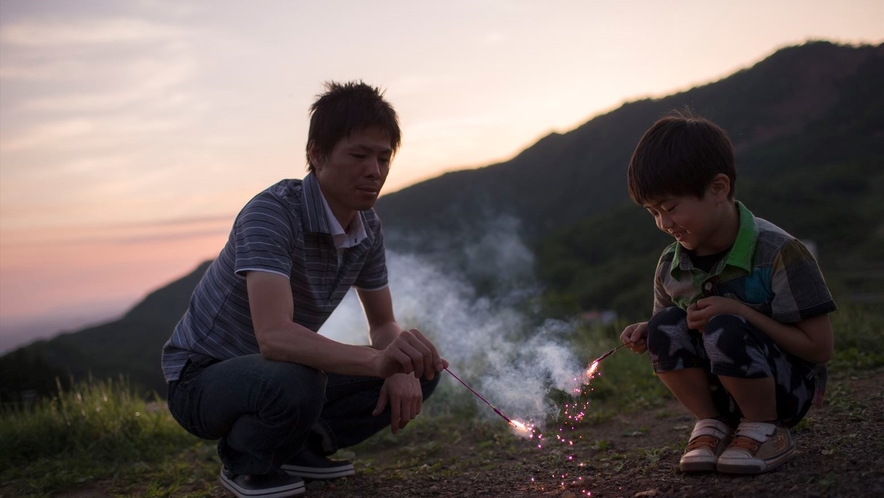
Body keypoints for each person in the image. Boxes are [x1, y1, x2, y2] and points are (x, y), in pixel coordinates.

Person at [161, 81, 448, 498]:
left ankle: (300, 447)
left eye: (384, 158)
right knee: (299, 378)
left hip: (276, 370)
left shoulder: (367, 229)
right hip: (201, 379)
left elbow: (383, 323)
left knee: (421, 367)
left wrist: (400, 362)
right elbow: (274, 337)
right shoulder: (272, 213)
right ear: (316, 154)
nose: (375, 171)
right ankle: (247, 461)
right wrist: (376, 363)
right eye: (359, 155)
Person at [619, 111, 836, 475]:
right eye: (653, 212)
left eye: (671, 208)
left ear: (718, 188)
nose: (664, 224)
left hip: (785, 390)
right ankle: (713, 423)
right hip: (723, 389)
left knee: (725, 326)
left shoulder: (778, 252)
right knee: (664, 326)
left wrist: (742, 313)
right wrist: (648, 330)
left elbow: (819, 348)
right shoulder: (671, 266)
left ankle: (765, 429)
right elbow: (673, 328)